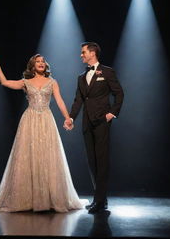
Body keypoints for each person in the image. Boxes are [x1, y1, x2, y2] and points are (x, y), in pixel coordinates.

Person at [0, 53, 87, 212]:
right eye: (37, 61)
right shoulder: (25, 82)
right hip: (29, 120)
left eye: (43, 61)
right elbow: (4, 82)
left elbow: (59, 100)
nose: (41, 63)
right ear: (32, 66)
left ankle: (50, 198)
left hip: (46, 120)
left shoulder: (52, 82)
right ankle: (28, 198)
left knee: (47, 157)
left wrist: (68, 118)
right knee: (28, 157)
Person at [64, 42, 124, 213]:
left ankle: (99, 201)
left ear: (92, 53)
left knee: (102, 161)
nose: (81, 55)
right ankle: (100, 199)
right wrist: (71, 118)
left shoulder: (107, 72)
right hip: (87, 123)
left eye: (83, 52)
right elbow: (78, 100)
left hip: (102, 122)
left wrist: (112, 113)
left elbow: (119, 93)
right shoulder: (81, 77)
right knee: (92, 162)